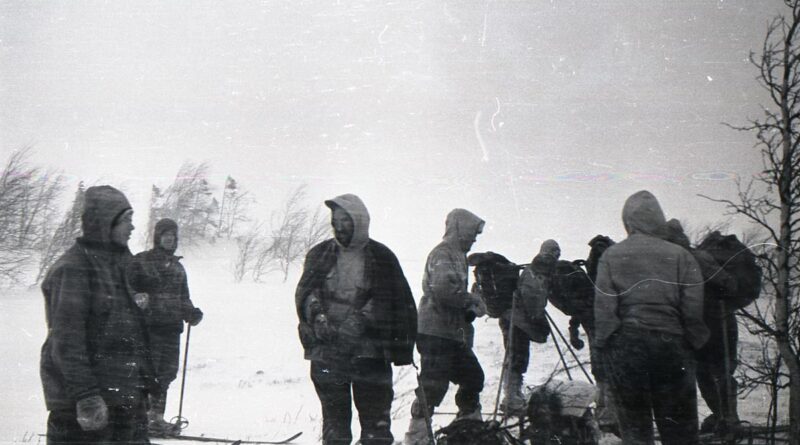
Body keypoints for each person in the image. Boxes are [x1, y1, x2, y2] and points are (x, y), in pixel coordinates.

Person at [295, 194, 417, 445]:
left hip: (369, 354)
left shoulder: (382, 257)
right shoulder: (319, 254)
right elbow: (306, 292)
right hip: (328, 352)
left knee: (376, 426)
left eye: (345, 221)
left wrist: (361, 320)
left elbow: (393, 299)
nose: (338, 226)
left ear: (359, 222)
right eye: (335, 220)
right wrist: (317, 315)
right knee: (335, 427)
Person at [40, 185, 154, 444]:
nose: (132, 228)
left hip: (123, 398)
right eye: (127, 220)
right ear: (106, 222)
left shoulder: (120, 265)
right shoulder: (74, 269)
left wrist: (143, 384)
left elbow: (131, 334)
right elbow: (67, 343)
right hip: (86, 407)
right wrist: (87, 395)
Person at [594, 190, 709, 445]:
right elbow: (692, 309)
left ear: (627, 220)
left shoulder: (611, 256)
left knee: (635, 430)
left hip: (628, 348)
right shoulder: (681, 256)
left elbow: (604, 309)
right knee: (680, 431)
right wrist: (693, 342)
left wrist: (605, 345)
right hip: (672, 347)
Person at [404, 208, 486, 445]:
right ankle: (416, 437)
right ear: (459, 230)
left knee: (473, 377)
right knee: (433, 385)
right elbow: (443, 290)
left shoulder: (458, 256)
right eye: (472, 233)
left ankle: (468, 428)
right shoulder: (443, 253)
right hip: (435, 332)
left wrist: (471, 303)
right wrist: (472, 301)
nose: (474, 238)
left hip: (450, 334)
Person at [663, 219, 742, 436]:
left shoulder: (698, 258)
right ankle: (721, 417)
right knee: (704, 375)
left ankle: (730, 420)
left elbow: (729, 284)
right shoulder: (672, 263)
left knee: (721, 373)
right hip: (696, 328)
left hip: (718, 324)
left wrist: (713, 295)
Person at [127, 218, 204, 436]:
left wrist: (191, 312)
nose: (170, 239)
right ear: (157, 237)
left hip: (172, 328)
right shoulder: (140, 261)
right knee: (145, 373)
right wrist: (136, 297)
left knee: (167, 374)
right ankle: (139, 418)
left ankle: (156, 419)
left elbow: (183, 298)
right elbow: (126, 287)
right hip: (148, 328)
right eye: (165, 235)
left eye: (173, 236)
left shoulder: (179, 269)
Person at [498, 240, 560, 413]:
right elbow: (532, 295)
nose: (556, 256)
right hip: (517, 320)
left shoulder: (535, 268)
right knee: (517, 356)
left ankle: (513, 394)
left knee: (517, 355)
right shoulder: (540, 267)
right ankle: (511, 397)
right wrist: (537, 316)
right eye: (555, 252)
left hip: (515, 318)